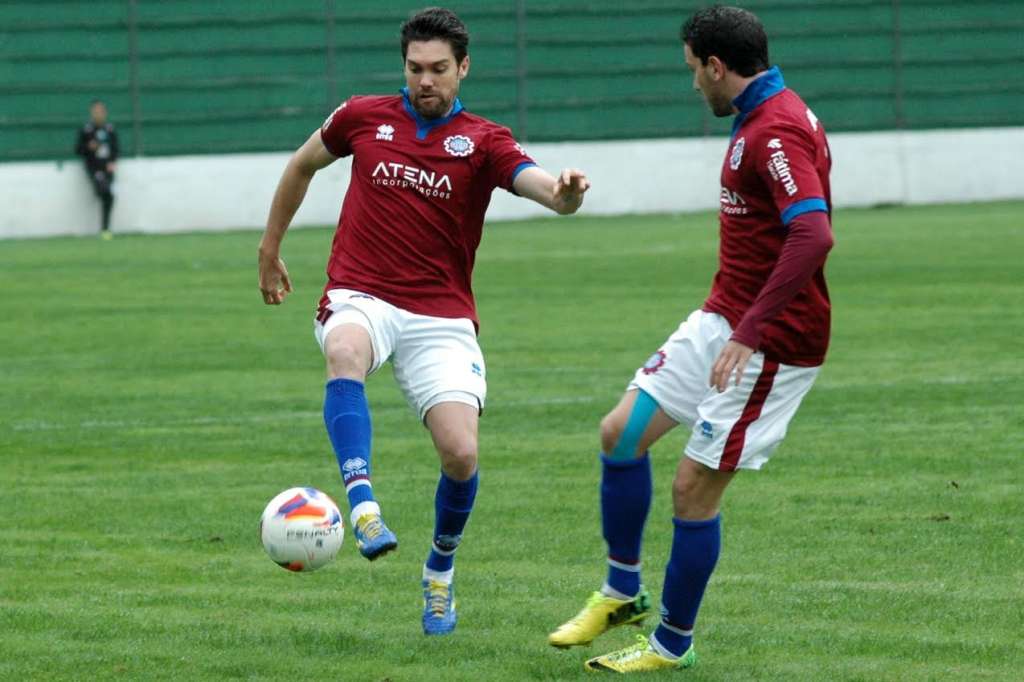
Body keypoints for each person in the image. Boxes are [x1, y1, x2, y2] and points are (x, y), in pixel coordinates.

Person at [257, 7, 590, 636]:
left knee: (461, 454)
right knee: (344, 351)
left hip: (441, 315)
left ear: (464, 68)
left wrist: (566, 193)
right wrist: (269, 247)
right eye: (415, 68)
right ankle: (363, 507)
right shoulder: (362, 116)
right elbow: (302, 164)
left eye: (439, 69)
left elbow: (544, 189)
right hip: (362, 294)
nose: (425, 80)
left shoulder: (485, 141)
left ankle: (439, 570)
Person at [547, 5, 834, 672]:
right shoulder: (760, 116)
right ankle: (622, 592)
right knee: (621, 433)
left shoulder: (775, 129)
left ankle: (672, 645)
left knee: (692, 490)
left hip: (772, 342)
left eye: (694, 71)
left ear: (717, 65)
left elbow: (813, 233)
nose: (693, 84)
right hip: (723, 317)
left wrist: (751, 332)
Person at [75, 100, 119, 239]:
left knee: (109, 196)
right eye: (96, 111)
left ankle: (105, 229)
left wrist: (112, 162)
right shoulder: (87, 130)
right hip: (94, 168)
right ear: (92, 113)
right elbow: (78, 150)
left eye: (101, 111)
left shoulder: (110, 129)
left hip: (108, 169)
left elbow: (116, 149)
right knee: (106, 192)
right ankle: (105, 229)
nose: (98, 114)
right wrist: (89, 147)